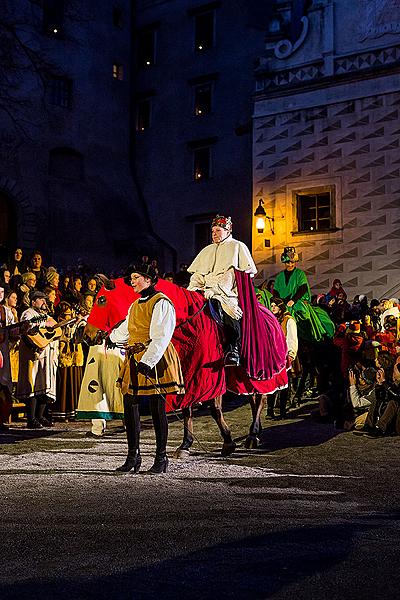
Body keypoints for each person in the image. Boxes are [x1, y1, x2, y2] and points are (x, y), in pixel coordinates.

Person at [109, 263, 185, 474]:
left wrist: (148, 361)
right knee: (129, 404)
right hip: (134, 358)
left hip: (154, 357)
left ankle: (161, 458)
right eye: (131, 277)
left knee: (156, 408)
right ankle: (133, 456)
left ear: (149, 279)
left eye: (136, 277)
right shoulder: (135, 305)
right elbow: (127, 327)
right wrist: (111, 337)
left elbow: (161, 336)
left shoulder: (161, 303)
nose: (132, 281)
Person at [187, 214, 257, 366]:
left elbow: (232, 274)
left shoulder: (237, 246)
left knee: (229, 311)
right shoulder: (207, 250)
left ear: (228, 230)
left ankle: (234, 349)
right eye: (213, 231)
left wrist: (216, 290)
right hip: (203, 290)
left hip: (226, 292)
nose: (214, 234)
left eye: (218, 230)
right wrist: (192, 289)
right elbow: (198, 273)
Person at [16, 290, 60, 428]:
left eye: (45, 300)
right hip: (33, 355)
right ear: (33, 302)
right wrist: (43, 325)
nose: (44, 303)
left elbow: (55, 326)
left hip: (46, 356)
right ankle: (31, 418)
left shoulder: (45, 315)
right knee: (32, 384)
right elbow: (26, 327)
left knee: (43, 386)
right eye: (41, 300)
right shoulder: (28, 313)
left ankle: (40, 416)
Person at [273, 247, 334, 343]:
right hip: (283, 302)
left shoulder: (300, 273)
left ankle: (307, 336)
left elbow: (303, 288)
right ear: (284, 263)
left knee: (303, 314)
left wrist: (293, 300)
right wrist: (279, 302)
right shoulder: (280, 276)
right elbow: (275, 291)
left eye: (293, 262)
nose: (290, 264)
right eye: (288, 262)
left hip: (297, 301)